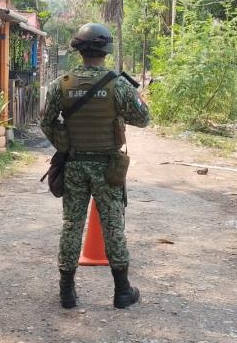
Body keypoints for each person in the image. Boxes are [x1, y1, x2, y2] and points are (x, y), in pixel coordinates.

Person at [40, 23, 150, 309]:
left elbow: (45, 122)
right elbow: (143, 119)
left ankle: (66, 292)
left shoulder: (61, 84)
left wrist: (63, 145)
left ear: (78, 49)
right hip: (108, 168)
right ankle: (122, 291)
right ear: (106, 49)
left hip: (74, 165)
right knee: (113, 226)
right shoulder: (119, 85)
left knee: (72, 225)